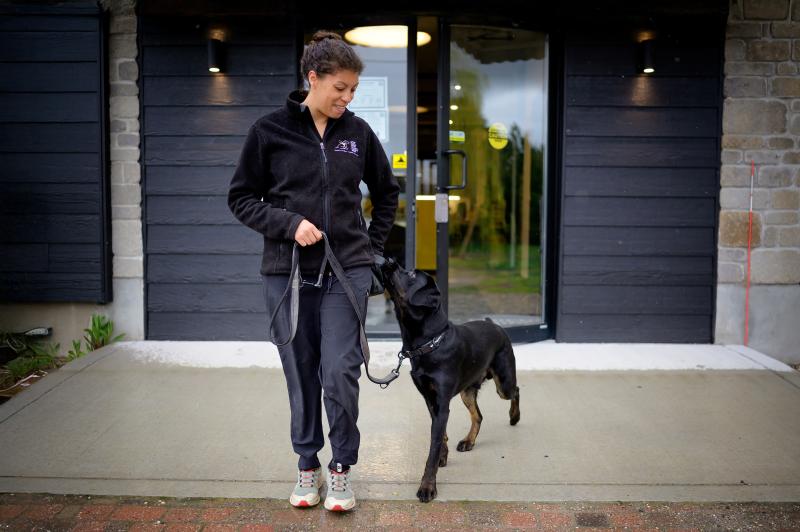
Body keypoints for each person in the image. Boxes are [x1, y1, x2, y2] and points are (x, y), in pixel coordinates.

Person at [227, 30, 400, 512]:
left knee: (340, 370)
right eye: (339, 88)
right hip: (287, 276)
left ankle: (342, 467)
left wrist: (371, 247)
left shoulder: (357, 134)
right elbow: (241, 198)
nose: (347, 98)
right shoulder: (269, 131)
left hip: (347, 272)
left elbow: (387, 193)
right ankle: (308, 464)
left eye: (352, 91)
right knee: (300, 372)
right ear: (313, 78)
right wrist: (288, 224)